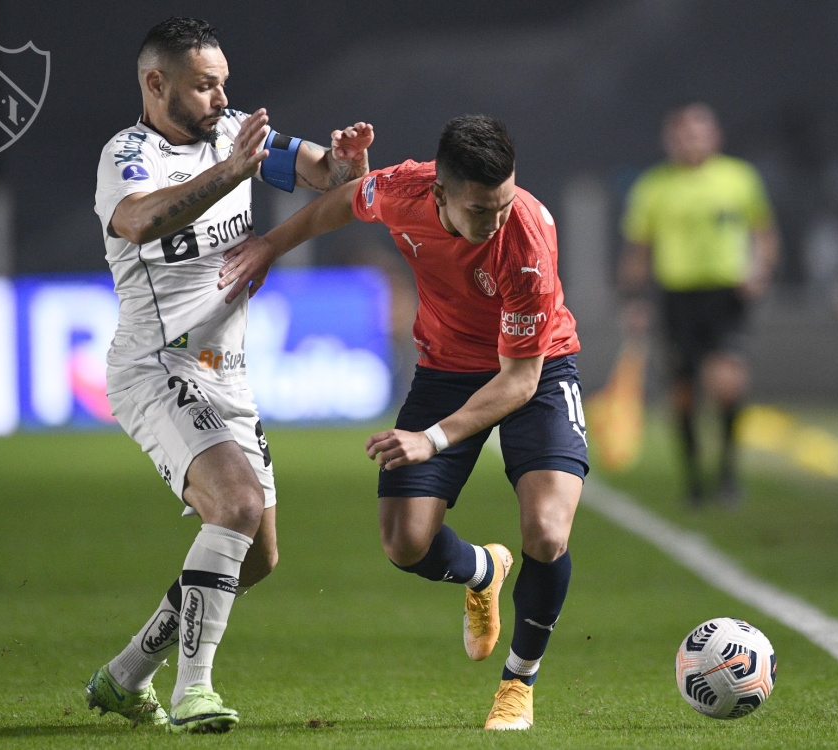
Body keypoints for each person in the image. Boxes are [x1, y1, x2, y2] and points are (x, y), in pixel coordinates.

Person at [218, 114, 588, 730]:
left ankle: (518, 683)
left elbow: (519, 381)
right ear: (440, 193)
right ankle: (483, 570)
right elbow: (342, 200)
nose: (496, 219)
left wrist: (432, 439)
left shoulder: (526, 240)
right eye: (481, 210)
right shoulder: (402, 190)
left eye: (504, 203)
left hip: (538, 369)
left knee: (547, 532)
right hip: (447, 368)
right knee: (405, 544)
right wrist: (270, 246)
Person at [88, 16, 372, 733]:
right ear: (157, 84)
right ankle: (195, 692)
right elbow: (139, 222)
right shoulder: (129, 155)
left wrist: (349, 160)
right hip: (156, 367)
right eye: (204, 85)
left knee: (257, 557)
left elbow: (329, 178)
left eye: (224, 84)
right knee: (238, 505)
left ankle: (126, 675)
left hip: (226, 375)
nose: (220, 98)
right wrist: (230, 173)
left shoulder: (235, 134)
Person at [618, 102, 779, 507]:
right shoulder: (654, 186)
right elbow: (638, 249)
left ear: (714, 136)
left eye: (697, 132)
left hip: (726, 295)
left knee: (728, 381)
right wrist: (634, 299)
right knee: (683, 390)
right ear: (669, 140)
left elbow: (764, 233)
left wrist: (759, 270)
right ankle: (693, 478)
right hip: (677, 298)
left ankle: (727, 472)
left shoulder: (739, 178)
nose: (690, 141)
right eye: (682, 134)